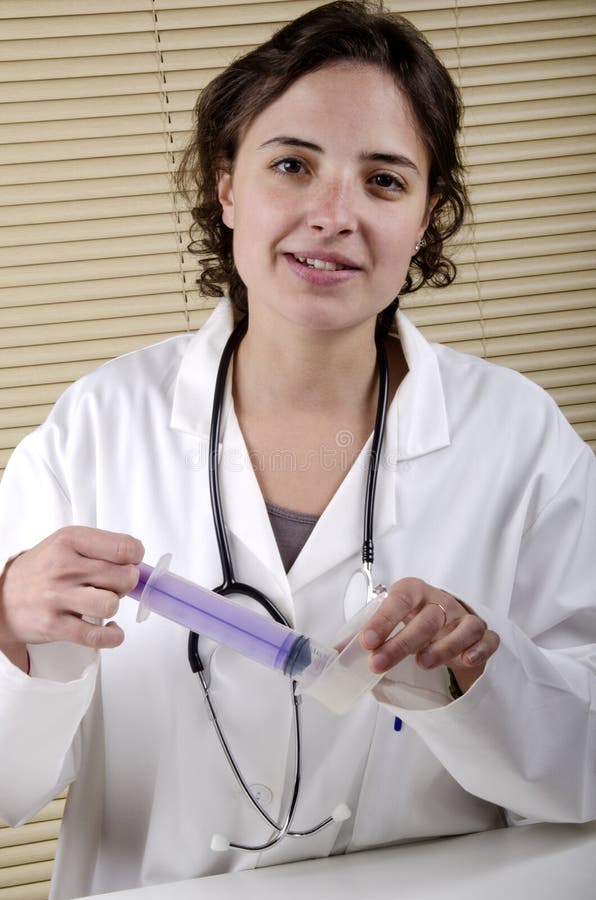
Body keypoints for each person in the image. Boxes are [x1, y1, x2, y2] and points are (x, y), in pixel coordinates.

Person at [0, 2, 594, 898]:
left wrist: (484, 676)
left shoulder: (519, 436)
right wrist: (14, 632)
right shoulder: (94, 428)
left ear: (428, 216)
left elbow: (583, 770)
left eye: (385, 182)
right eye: (291, 165)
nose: (334, 214)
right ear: (227, 187)